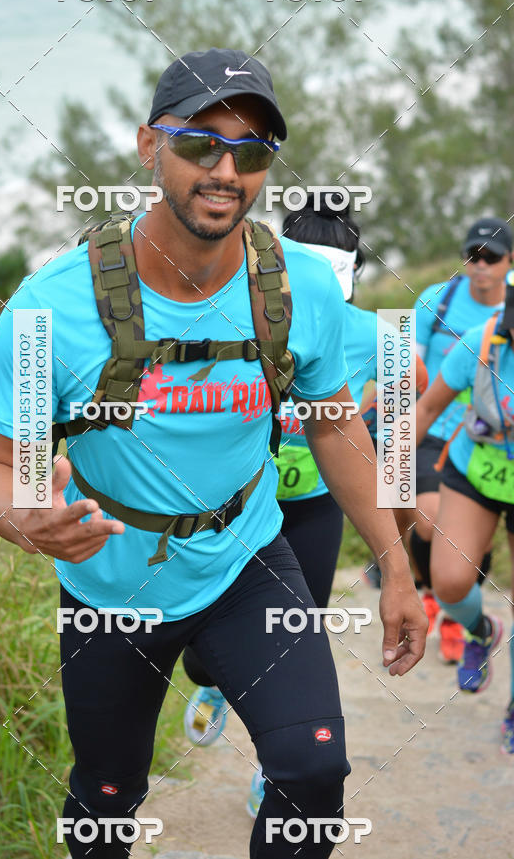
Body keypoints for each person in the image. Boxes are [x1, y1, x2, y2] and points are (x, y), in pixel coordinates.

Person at [0, 48, 426, 859]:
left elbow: (333, 425)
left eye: (251, 151)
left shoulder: (299, 290)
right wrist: (27, 521)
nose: (225, 169)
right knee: (108, 798)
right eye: (199, 143)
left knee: (314, 770)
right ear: (150, 148)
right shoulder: (50, 310)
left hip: (247, 558)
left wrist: (395, 562)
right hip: (114, 583)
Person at [182, 192, 379, 817]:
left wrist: (372, 419)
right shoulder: (236, 313)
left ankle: (280, 768)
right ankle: (211, 683)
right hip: (240, 506)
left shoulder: (377, 334)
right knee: (203, 652)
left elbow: (414, 392)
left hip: (316, 507)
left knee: (296, 635)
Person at [399, 218, 512, 662]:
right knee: (427, 520)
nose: (479, 266)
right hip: (439, 432)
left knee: (473, 547)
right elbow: (399, 373)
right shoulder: (436, 301)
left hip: (489, 444)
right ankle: (428, 594)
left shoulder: (504, 316)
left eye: (490, 257)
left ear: (509, 261)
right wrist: (388, 439)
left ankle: (460, 618)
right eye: (472, 256)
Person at [416, 269, 514, 754]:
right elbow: (426, 408)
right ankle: (481, 629)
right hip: (475, 472)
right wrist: (387, 481)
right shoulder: (482, 340)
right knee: (451, 582)